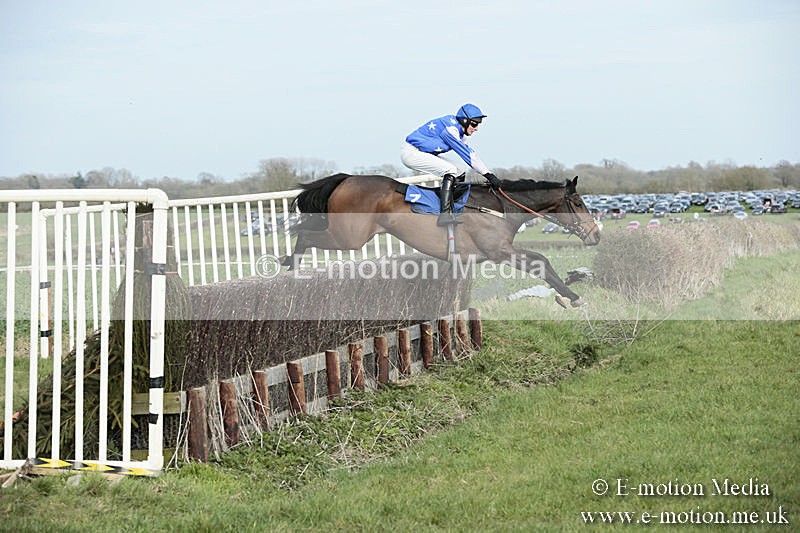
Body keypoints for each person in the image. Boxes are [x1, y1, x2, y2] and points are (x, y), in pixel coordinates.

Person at [401, 103, 501, 225]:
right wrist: (489, 174)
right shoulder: (450, 130)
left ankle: (452, 205)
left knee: (460, 169)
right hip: (411, 153)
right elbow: (469, 156)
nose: (476, 128)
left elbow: (469, 154)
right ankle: (444, 214)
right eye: (474, 124)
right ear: (464, 121)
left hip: (422, 152)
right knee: (450, 170)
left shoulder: (460, 132)